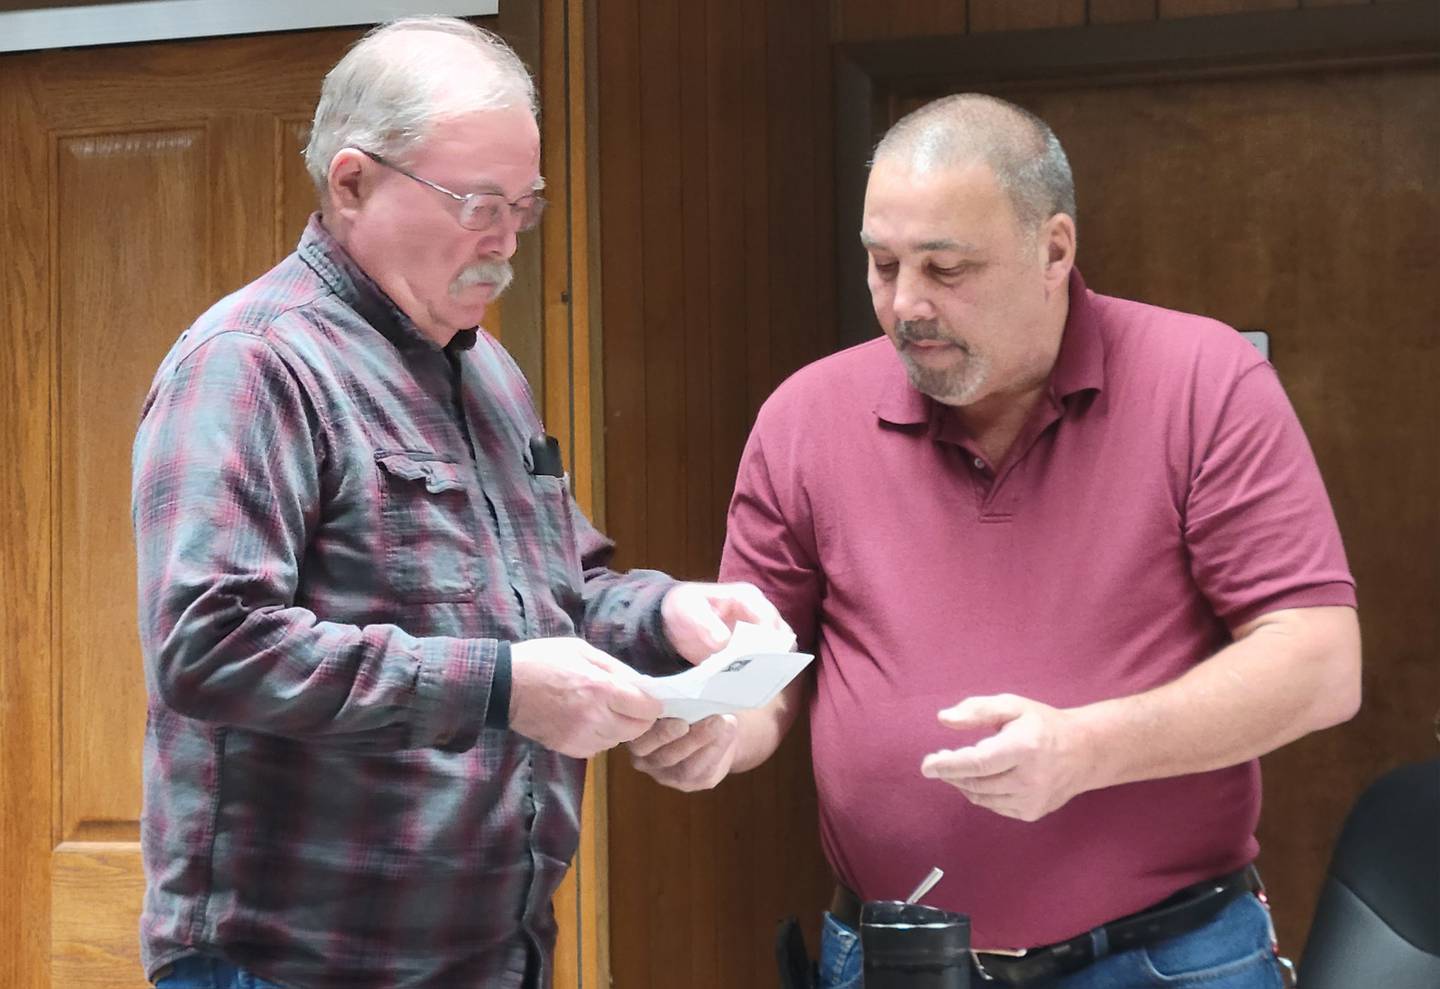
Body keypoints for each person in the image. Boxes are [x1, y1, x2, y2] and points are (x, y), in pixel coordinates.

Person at [628, 94, 1362, 988]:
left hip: (1160, 957)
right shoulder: (806, 416)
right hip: (892, 955)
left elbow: (1319, 663)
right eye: (883, 263)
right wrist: (719, 729)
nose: (906, 304)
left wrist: (1088, 749)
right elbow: (764, 666)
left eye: (947, 267)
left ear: (1054, 249)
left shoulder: (1203, 381)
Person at [132, 17, 782, 989]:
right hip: (292, 965)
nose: (507, 239)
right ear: (351, 182)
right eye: (478, 202)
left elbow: (561, 594)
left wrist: (666, 612)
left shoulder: (491, 376)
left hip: (491, 955)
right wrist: (504, 686)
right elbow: (211, 643)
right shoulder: (253, 362)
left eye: (525, 206)